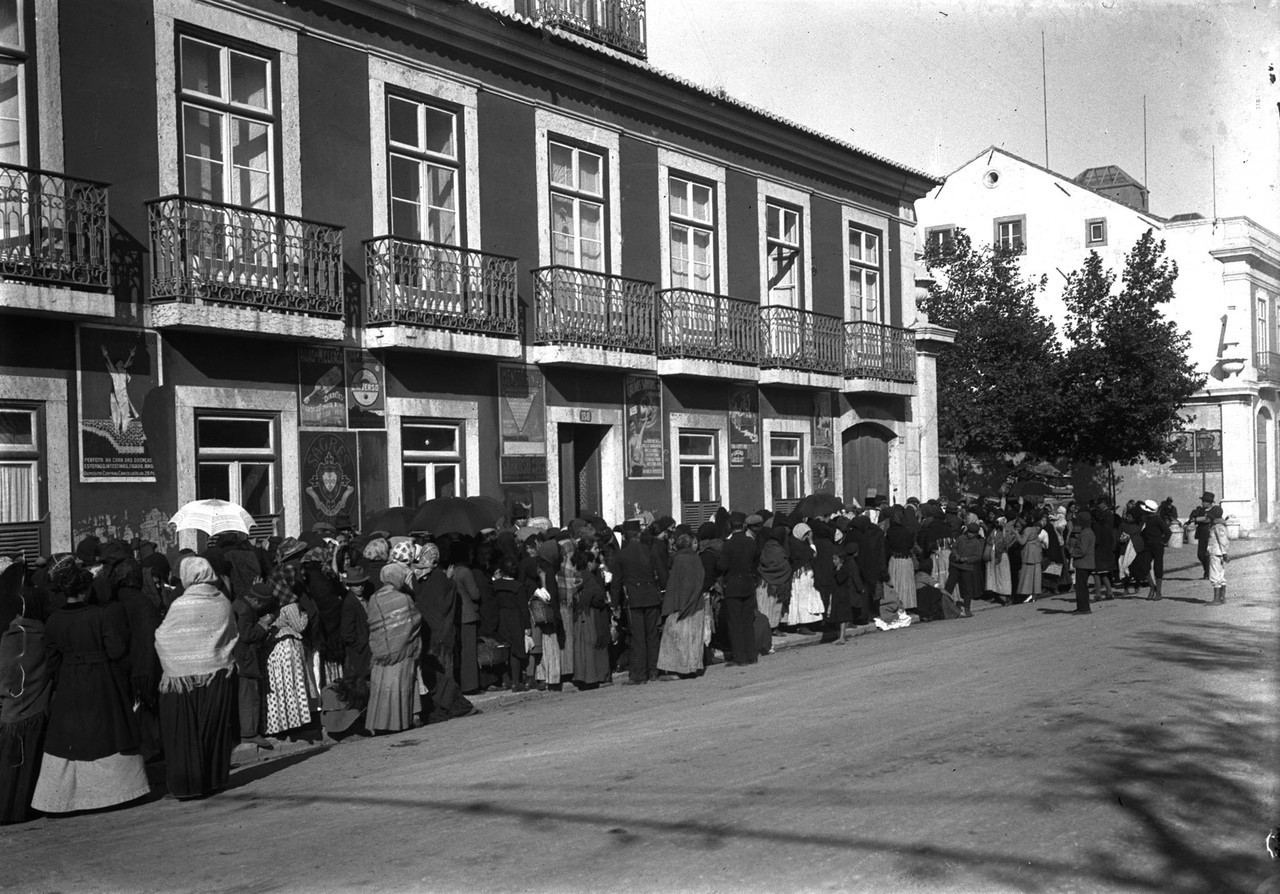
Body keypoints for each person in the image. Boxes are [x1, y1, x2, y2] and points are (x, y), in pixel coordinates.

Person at [31, 558, 150, 814]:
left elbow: (51, 661)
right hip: (102, 679)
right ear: (85, 590)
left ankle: (64, 798)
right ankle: (117, 793)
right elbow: (116, 650)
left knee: (69, 739)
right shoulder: (99, 615)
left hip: (70, 682)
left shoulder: (53, 620)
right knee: (110, 733)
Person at [153, 556, 239, 800]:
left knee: (185, 732)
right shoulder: (222, 601)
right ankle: (214, 781)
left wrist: (181, 659)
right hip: (217, 673)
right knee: (214, 729)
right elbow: (231, 634)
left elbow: (163, 637)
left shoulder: (181, 604)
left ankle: (188, 786)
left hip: (182, 679)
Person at [0, 584, 53, 823]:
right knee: (29, 767)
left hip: (11, 714)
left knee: (9, 770)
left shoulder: (9, 636)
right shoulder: (43, 636)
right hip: (35, 711)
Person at [366, 564, 422, 732]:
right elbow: (415, 620)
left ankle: (378, 724)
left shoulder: (373, 599)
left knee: (381, 689)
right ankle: (399, 723)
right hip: (402, 654)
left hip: (379, 653)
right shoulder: (404, 599)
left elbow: (374, 626)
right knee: (399, 689)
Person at [612, 522, 664, 684]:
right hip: (652, 596)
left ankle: (639, 674)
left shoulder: (621, 555)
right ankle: (654, 671)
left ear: (626, 536)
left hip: (633, 599)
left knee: (638, 637)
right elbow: (662, 574)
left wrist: (615, 604)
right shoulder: (649, 550)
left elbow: (617, 582)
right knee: (652, 635)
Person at [656, 533, 706, 680]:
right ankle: (691, 668)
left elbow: (676, 584)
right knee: (692, 638)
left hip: (679, 605)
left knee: (677, 638)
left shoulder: (678, 559)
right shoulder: (695, 558)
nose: (696, 545)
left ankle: (678, 670)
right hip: (695, 604)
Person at [231, 582, 275, 749]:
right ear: (256, 601)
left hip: (242, 659)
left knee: (247, 695)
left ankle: (248, 731)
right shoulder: (244, 610)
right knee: (249, 696)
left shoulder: (240, 604)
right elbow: (247, 635)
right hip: (245, 659)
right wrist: (263, 624)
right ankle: (249, 733)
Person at [716, 513, 760, 666]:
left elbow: (722, 566)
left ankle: (740, 657)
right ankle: (751, 654)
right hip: (748, 583)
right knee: (748, 621)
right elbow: (756, 562)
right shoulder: (751, 542)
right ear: (744, 526)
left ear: (730, 527)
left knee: (735, 622)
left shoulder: (728, 544)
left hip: (733, 585)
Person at [1067, 510, 1097, 615]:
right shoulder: (1089, 531)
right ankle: (1081, 607)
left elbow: (1082, 550)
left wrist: (1072, 553)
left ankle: (1084, 608)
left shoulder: (1085, 533)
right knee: (1081, 586)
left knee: (1081, 587)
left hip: (1083, 563)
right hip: (1086, 563)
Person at [1015, 516, 1044, 604]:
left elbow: (1022, 541)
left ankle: (1027, 594)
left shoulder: (1028, 529)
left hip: (1029, 554)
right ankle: (1034, 595)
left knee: (1027, 575)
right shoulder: (1035, 529)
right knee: (1036, 576)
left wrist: (1016, 533)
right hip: (1036, 554)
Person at [1189, 491, 1215, 580]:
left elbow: (1207, 519)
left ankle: (1208, 573)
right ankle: (1207, 570)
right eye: (1202, 501)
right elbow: (1192, 519)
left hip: (1210, 534)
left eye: (1204, 501)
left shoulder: (1214, 510)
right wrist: (1193, 517)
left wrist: (1197, 519)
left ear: (1209, 503)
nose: (1202, 503)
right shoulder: (1200, 510)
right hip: (1202, 534)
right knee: (1200, 554)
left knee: (1208, 554)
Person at [1206, 506, 1229, 605]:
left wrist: (1224, 553)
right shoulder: (1220, 525)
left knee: (1214, 575)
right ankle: (1222, 597)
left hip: (1216, 553)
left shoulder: (1217, 526)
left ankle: (1216, 599)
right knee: (1220, 575)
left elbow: (1222, 540)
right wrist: (1224, 553)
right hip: (1219, 553)